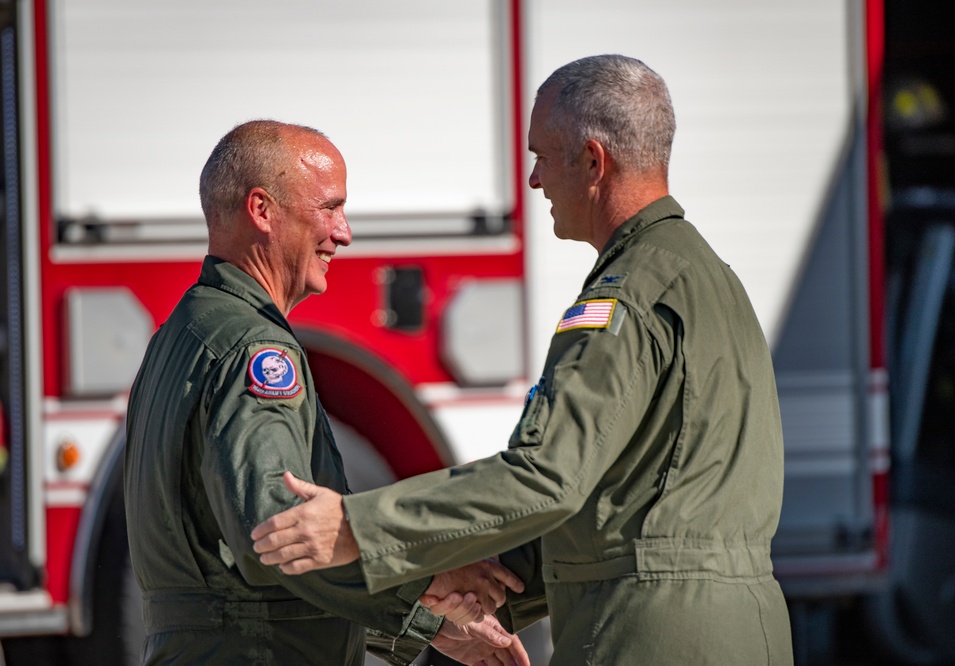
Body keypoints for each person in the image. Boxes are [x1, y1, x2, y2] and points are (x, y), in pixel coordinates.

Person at [252, 54, 795, 664]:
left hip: (645, 636)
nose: (534, 180)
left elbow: (547, 478)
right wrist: (481, 596)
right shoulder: (711, 281)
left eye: (541, 156)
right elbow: (638, 501)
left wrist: (358, 528)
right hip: (753, 631)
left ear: (593, 160)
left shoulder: (626, 295)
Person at [124, 120, 529, 666]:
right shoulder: (256, 349)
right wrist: (429, 578)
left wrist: (425, 623)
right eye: (329, 208)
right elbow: (278, 534)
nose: (344, 233)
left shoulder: (181, 334)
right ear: (262, 211)